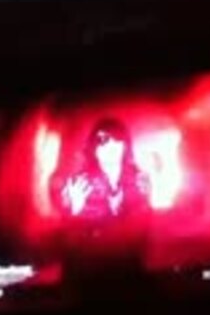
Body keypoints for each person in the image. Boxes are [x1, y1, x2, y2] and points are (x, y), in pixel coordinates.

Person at [50, 118, 153, 294]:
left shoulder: (139, 180)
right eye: (102, 140)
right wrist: (73, 212)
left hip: (129, 270)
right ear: (94, 149)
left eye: (116, 139)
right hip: (88, 274)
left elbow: (144, 232)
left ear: (125, 145)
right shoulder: (79, 184)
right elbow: (67, 244)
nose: (110, 146)